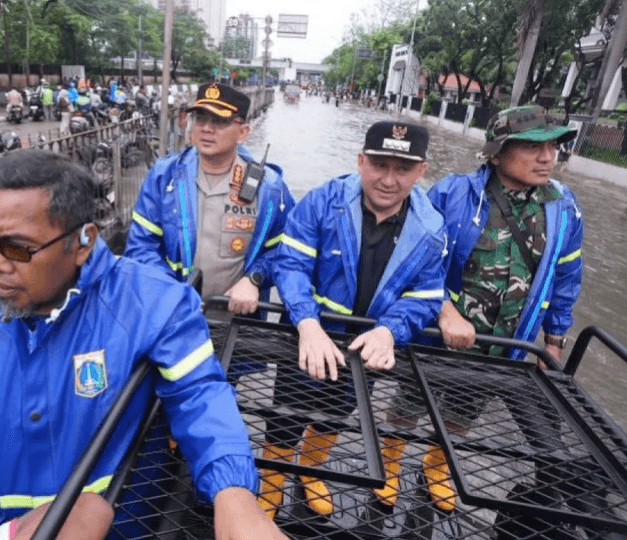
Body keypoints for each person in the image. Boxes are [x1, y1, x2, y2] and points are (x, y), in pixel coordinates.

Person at [0, 151, 287, 540]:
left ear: (83, 241)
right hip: (2, 523)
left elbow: (199, 394)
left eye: (16, 248)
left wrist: (234, 496)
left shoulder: (150, 302)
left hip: (117, 525)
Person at [261, 121, 446, 518]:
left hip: (366, 347)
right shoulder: (321, 201)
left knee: (336, 412)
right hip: (307, 334)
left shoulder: (431, 228)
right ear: (361, 161)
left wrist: (389, 331)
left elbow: (427, 296)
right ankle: (273, 478)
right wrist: (307, 324)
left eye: (402, 169)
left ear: (421, 172)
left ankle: (310, 470)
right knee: (286, 409)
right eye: (379, 165)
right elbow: (290, 265)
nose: (388, 180)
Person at [424, 105, 583, 509]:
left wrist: (555, 339)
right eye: (533, 148)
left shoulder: (563, 208)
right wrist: (443, 310)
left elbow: (566, 277)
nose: (548, 158)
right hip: (435, 334)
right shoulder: (453, 193)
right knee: (410, 401)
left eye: (553, 147)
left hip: (505, 342)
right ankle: (391, 458)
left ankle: (436, 466)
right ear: (496, 153)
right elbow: (414, 262)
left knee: (465, 411)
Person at [124, 82, 295, 318]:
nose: (206, 128)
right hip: (171, 317)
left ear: (243, 132)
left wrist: (255, 278)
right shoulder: (164, 177)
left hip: (238, 326)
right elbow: (141, 246)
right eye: (201, 119)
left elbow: (287, 250)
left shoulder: (269, 189)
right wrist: (170, 291)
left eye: (220, 121)